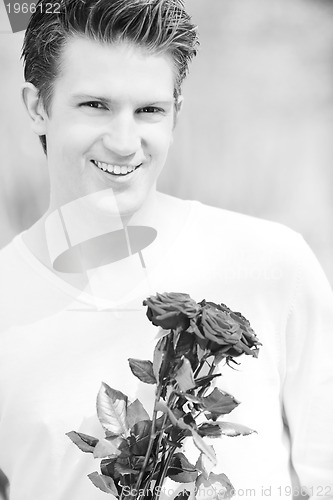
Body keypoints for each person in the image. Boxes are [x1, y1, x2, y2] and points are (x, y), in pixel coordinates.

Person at [0, 0, 333, 499]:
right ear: (37, 107)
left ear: (176, 114)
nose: (124, 141)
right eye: (96, 106)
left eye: (149, 110)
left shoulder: (273, 265)